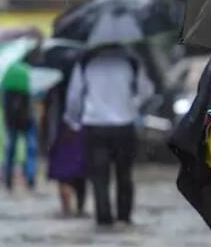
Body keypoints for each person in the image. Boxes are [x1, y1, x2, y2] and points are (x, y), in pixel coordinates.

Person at [65, 45, 154, 228]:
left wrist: (73, 120)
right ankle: (123, 216)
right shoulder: (131, 61)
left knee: (99, 175)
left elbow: (74, 96)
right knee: (124, 173)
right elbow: (146, 91)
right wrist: (132, 104)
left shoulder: (86, 62)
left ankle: (103, 218)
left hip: (95, 125)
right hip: (124, 125)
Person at [44, 81, 87, 218]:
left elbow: (48, 113)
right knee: (80, 175)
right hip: (80, 131)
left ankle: (67, 210)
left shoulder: (54, 85)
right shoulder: (83, 79)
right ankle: (79, 210)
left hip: (62, 133)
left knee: (64, 176)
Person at [2, 78, 38, 191]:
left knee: (11, 150)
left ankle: (8, 177)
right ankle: (30, 177)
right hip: (28, 121)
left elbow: (5, 107)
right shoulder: (28, 82)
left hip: (13, 121)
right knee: (31, 150)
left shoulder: (7, 85)